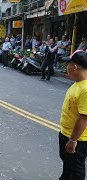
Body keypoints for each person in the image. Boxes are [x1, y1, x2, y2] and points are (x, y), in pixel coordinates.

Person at [58, 51, 87, 180]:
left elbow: (84, 117)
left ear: (74, 67)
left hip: (78, 139)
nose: (66, 67)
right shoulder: (78, 84)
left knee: (76, 169)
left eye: (67, 64)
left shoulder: (85, 89)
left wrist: (73, 140)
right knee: (68, 165)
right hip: (66, 133)